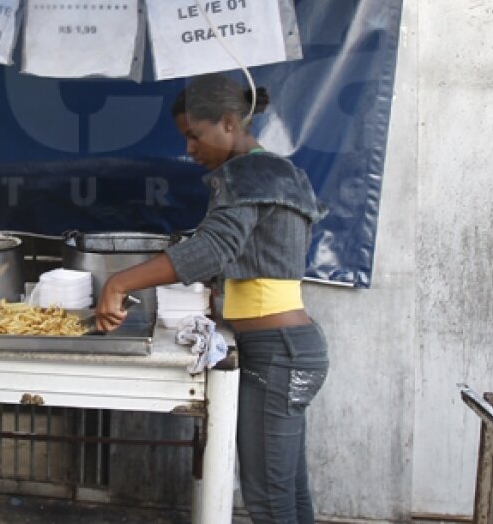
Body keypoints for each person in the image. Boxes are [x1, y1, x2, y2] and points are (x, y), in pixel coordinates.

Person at [95, 73, 329, 524]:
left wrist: (120, 282)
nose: (189, 148)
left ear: (227, 122)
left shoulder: (246, 172)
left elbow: (214, 248)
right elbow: (257, 252)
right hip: (292, 347)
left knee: (269, 500)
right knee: (289, 494)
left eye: (194, 135)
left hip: (278, 352)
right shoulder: (282, 171)